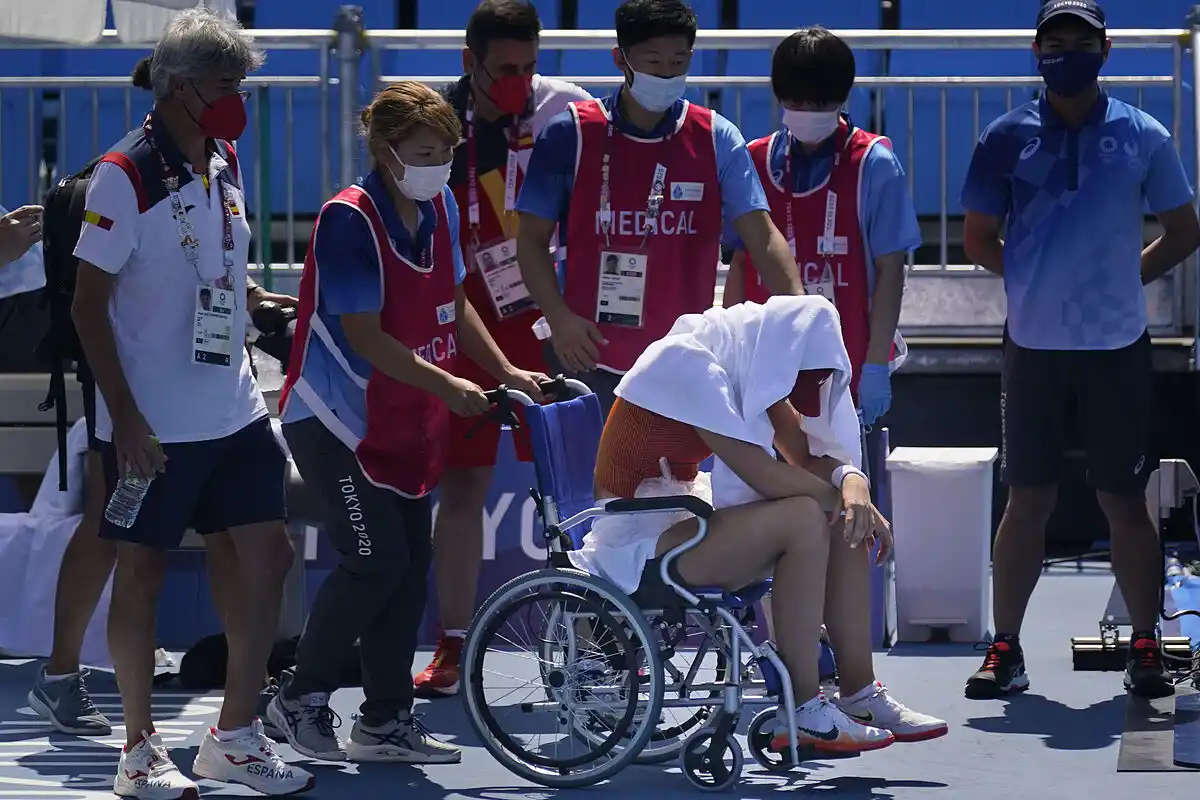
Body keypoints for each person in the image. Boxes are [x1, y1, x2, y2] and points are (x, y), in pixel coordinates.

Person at [69, 9, 312, 797]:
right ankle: (139, 751)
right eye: (223, 85)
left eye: (241, 82)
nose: (237, 97)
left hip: (233, 405)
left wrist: (247, 298)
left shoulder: (225, 155)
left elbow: (208, 262)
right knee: (140, 571)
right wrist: (127, 420)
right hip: (153, 424)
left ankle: (234, 736)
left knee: (269, 553)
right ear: (177, 88)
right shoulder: (123, 173)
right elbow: (87, 305)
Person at [270, 81, 547, 762]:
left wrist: (503, 371)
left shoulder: (442, 205)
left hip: (404, 420)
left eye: (447, 153)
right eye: (424, 153)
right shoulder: (348, 219)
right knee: (374, 561)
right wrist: (449, 383)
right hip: (335, 423)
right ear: (386, 152)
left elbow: (454, 302)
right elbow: (364, 335)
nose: (439, 165)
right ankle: (296, 701)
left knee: (408, 565)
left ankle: (384, 722)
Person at [571, 295, 947, 751]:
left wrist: (853, 483)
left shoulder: (746, 360)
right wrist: (848, 500)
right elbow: (764, 475)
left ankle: (860, 694)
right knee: (807, 516)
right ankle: (804, 707)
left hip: (682, 520)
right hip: (635, 539)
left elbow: (804, 456)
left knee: (833, 515)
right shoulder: (686, 361)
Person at [961, 0, 1200, 701]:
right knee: (1025, 497)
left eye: (1080, 41)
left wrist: (1128, 278)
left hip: (1116, 346)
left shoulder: (1143, 134)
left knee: (1122, 498)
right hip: (1033, 347)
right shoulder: (1004, 138)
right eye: (1054, 40)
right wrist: (1037, 283)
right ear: (1036, 51)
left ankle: (1146, 645)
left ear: (1107, 49)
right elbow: (977, 238)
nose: (1067, 52)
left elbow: (1185, 230)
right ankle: (1005, 648)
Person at [414, 0, 592, 700]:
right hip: (464, 326)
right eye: (503, 70)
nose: (519, 81)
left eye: (529, 67)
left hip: (550, 323)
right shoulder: (434, 127)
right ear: (469, 62)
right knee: (460, 490)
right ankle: (453, 645)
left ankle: (591, 642)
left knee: (578, 498)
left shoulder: (567, 112)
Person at [516, 0, 803, 417]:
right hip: (589, 356)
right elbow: (530, 241)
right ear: (621, 59)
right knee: (597, 483)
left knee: (682, 485)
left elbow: (761, 234)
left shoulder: (716, 137)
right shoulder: (571, 133)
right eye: (653, 61)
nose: (666, 74)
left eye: (678, 61)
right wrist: (558, 318)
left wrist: (799, 309)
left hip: (684, 362)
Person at [723, 27, 916, 424]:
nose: (809, 113)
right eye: (798, 101)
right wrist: (731, 353)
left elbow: (891, 272)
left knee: (846, 482)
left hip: (848, 356)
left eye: (820, 103)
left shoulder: (874, 164)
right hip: (767, 359)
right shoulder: (754, 160)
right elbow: (741, 264)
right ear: (779, 97)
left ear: (843, 97)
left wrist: (876, 364)